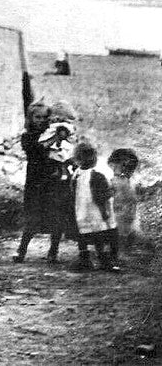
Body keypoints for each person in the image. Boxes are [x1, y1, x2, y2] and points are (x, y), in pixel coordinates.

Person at [13, 101, 74, 264]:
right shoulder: (28, 136)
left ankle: (53, 251)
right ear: (30, 118)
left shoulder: (53, 132)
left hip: (53, 182)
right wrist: (56, 136)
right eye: (37, 117)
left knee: (57, 216)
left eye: (44, 117)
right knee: (32, 217)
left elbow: (66, 152)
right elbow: (38, 150)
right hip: (36, 182)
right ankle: (22, 250)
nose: (40, 120)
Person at [72, 140, 119, 271]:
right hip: (94, 210)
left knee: (87, 233)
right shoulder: (94, 175)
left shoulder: (79, 173)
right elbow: (102, 196)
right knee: (96, 234)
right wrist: (105, 208)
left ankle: (89, 258)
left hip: (83, 210)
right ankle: (96, 259)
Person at [108, 147, 147, 252]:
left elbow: (135, 192)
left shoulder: (130, 179)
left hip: (128, 206)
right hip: (119, 207)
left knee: (129, 223)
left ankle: (127, 244)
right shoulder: (113, 179)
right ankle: (119, 247)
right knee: (119, 225)